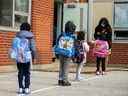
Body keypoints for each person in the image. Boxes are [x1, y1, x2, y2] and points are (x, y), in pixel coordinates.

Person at [12, 22, 36, 94]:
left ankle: (20, 88)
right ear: (29, 29)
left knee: (20, 72)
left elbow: (13, 47)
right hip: (27, 58)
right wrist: (34, 57)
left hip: (19, 58)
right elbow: (33, 49)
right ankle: (27, 88)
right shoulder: (30, 37)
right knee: (27, 73)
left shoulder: (17, 36)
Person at [55, 21, 76, 86]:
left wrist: (56, 52)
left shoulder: (61, 35)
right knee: (66, 67)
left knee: (61, 66)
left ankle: (60, 80)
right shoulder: (72, 37)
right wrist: (73, 55)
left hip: (60, 52)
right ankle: (65, 80)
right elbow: (73, 47)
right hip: (68, 54)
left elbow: (57, 42)